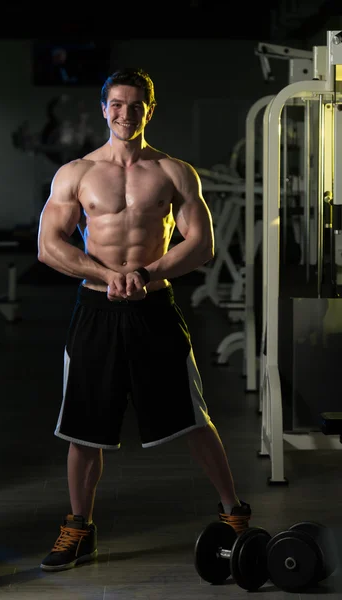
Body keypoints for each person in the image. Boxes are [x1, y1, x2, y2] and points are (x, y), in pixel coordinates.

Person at [37, 67, 252, 572]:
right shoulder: (76, 173)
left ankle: (234, 513)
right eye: (116, 104)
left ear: (149, 111)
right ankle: (78, 529)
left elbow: (201, 244)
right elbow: (49, 246)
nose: (125, 114)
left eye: (135, 106)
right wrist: (105, 274)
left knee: (193, 418)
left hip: (154, 307)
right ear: (103, 108)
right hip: (95, 309)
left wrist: (145, 274)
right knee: (83, 429)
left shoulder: (175, 172)